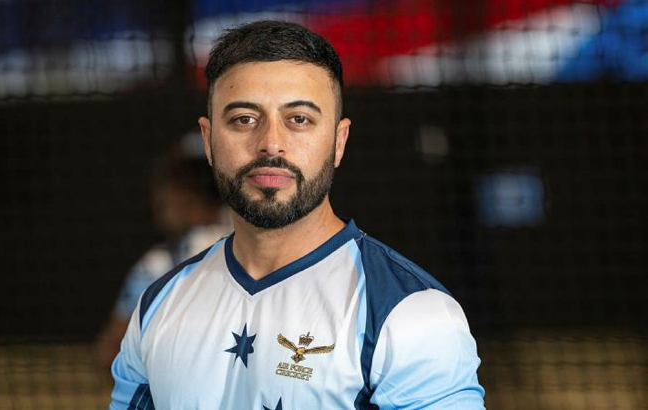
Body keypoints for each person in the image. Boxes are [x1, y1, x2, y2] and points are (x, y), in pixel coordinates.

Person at [110, 20, 485, 409]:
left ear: (339, 142)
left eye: (299, 119)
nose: (271, 144)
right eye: (244, 119)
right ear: (208, 140)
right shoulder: (160, 302)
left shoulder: (409, 313)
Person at [96, 153, 230, 372]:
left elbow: (109, 351)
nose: (158, 201)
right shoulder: (261, 248)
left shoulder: (157, 265)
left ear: (190, 198)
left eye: (168, 190)